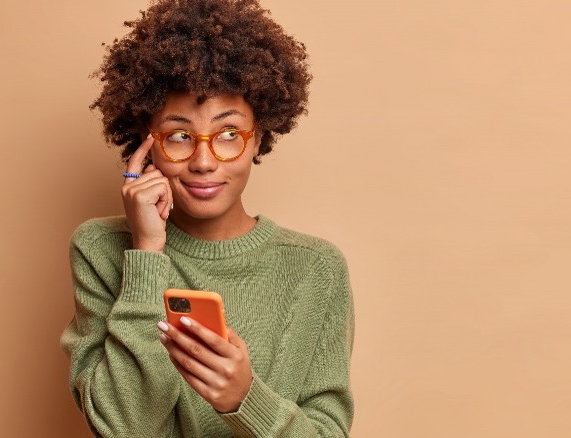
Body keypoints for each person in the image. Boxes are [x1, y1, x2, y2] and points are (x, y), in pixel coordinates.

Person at [60, 0, 355, 436]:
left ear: (260, 139)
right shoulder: (101, 248)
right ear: (148, 143)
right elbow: (122, 426)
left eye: (229, 134)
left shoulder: (316, 268)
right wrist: (147, 253)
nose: (203, 161)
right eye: (179, 136)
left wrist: (245, 399)